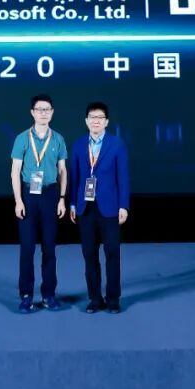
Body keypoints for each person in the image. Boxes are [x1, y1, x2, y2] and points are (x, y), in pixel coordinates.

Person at [69, 101, 130, 313]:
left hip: (110, 208)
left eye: (100, 117)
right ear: (86, 121)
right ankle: (95, 299)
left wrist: (124, 206)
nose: (96, 121)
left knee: (112, 254)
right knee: (89, 254)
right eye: (92, 117)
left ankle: (113, 300)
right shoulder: (78, 145)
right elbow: (75, 177)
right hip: (85, 208)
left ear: (106, 121)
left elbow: (123, 177)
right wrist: (73, 203)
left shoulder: (117, 144)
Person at [11, 94, 68, 313]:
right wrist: (18, 201)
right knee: (27, 248)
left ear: (52, 112)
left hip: (50, 194)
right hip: (28, 195)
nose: (43, 113)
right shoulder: (22, 138)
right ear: (32, 112)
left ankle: (48, 294)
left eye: (47, 109)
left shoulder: (58, 139)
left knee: (49, 248)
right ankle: (26, 295)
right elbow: (15, 171)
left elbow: (63, 170)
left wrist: (62, 198)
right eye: (39, 109)